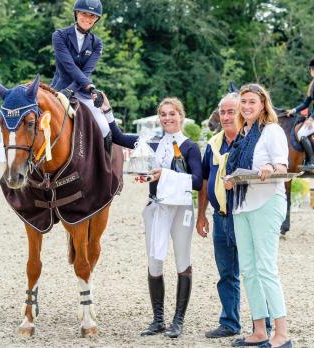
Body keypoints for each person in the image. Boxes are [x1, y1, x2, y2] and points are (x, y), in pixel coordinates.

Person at [102, 96, 203, 338]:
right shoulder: (151, 142)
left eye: (172, 113)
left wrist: (164, 174)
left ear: (181, 116)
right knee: (154, 261)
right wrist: (106, 110)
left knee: (182, 260)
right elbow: (117, 137)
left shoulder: (190, 147)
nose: (167, 118)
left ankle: (177, 320)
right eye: (164, 114)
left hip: (181, 208)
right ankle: (158, 319)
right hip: (156, 207)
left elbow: (198, 181)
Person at [196, 93, 271, 339]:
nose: (227, 117)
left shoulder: (251, 141)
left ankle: (264, 323)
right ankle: (230, 322)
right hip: (220, 217)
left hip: (245, 215)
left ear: (240, 112)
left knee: (255, 271)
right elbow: (206, 179)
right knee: (226, 273)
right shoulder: (213, 144)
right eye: (223, 112)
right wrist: (201, 215)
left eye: (231, 111)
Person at [224, 84, 292, 348]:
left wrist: (269, 167)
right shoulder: (243, 134)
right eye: (244, 102)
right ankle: (260, 330)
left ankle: (282, 334)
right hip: (242, 206)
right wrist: (231, 180)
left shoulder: (272, 131)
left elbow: (282, 165)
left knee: (266, 268)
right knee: (249, 271)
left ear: (263, 104)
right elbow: (240, 168)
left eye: (252, 102)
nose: (247, 106)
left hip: (266, 203)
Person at [51, 0, 112, 151]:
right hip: (59, 90)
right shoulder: (59, 35)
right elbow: (70, 67)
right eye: (84, 13)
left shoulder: (97, 43)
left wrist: (77, 90)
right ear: (76, 13)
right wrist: (88, 87)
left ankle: (105, 172)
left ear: (96, 19)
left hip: (82, 92)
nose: (88, 18)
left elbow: (86, 72)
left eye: (92, 16)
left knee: (104, 128)